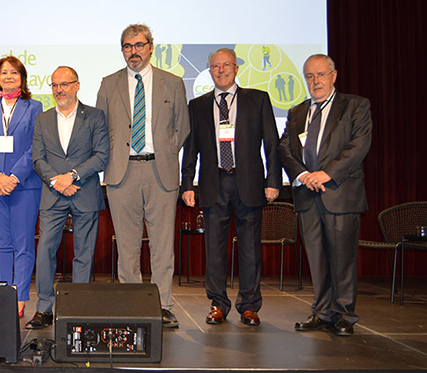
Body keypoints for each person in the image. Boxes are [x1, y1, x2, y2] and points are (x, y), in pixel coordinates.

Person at [96, 24, 190, 328]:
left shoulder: (172, 83)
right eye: (127, 46)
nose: (133, 51)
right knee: (127, 246)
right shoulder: (108, 84)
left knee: (162, 245)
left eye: (138, 45)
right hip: (121, 174)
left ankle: (162, 305)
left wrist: (165, 150)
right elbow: (101, 129)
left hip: (159, 172)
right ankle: (132, 303)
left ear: (151, 47)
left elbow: (182, 128)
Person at [181, 48, 281, 326]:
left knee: (250, 248)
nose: (221, 70)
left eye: (226, 65)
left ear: (236, 68)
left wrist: (274, 181)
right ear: (209, 70)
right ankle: (218, 303)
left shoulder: (257, 100)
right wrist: (187, 184)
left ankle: (249, 305)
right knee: (214, 249)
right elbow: (191, 150)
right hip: (214, 184)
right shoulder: (197, 105)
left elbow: (272, 144)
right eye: (215, 66)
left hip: (248, 183)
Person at [278, 54, 372, 336]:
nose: (315, 81)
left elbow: (359, 144)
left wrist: (326, 173)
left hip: (340, 192)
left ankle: (344, 314)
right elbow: (285, 149)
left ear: (334, 75)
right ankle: (321, 312)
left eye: (320, 74)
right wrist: (305, 175)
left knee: (342, 258)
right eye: (309, 76)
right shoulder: (297, 112)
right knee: (316, 259)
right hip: (307, 194)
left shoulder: (355, 105)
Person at [26, 66, 109, 329]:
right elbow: (37, 158)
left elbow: (101, 155)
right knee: (45, 249)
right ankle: (43, 309)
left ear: (77, 85)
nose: (59, 90)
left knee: (84, 253)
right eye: (54, 85)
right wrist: (57, 181)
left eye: (64, 84)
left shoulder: (95, 116)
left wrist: (71, 176)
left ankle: (78, 307)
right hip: (53, 193)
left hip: (84, 191)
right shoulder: (43, 119)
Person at [0, 56, 43, 318]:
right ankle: (4, 293)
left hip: (24, 186)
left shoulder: (34, 107)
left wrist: (13, 177)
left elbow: (35, 146)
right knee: (1, 242)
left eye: (14, 72)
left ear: (22, 77)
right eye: (4, 73)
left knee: (23, 243)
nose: (8, 77)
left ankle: (20, 297)